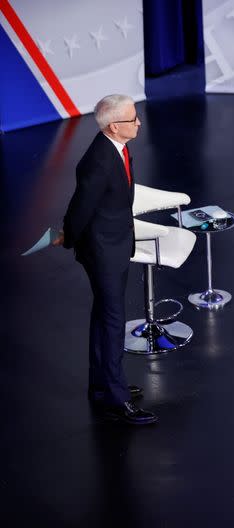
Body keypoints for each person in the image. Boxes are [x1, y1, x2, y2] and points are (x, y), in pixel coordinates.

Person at [54, 94, 157, 424]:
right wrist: (69, 237)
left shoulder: (119, 147)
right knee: (113, 322)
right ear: (115, 126)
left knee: (104, 316)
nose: (138, 122)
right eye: (132, 118)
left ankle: (101, 385)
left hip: (114, 244)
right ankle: (116, 398)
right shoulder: (98, 161)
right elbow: (80, 207)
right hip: (103, 252)